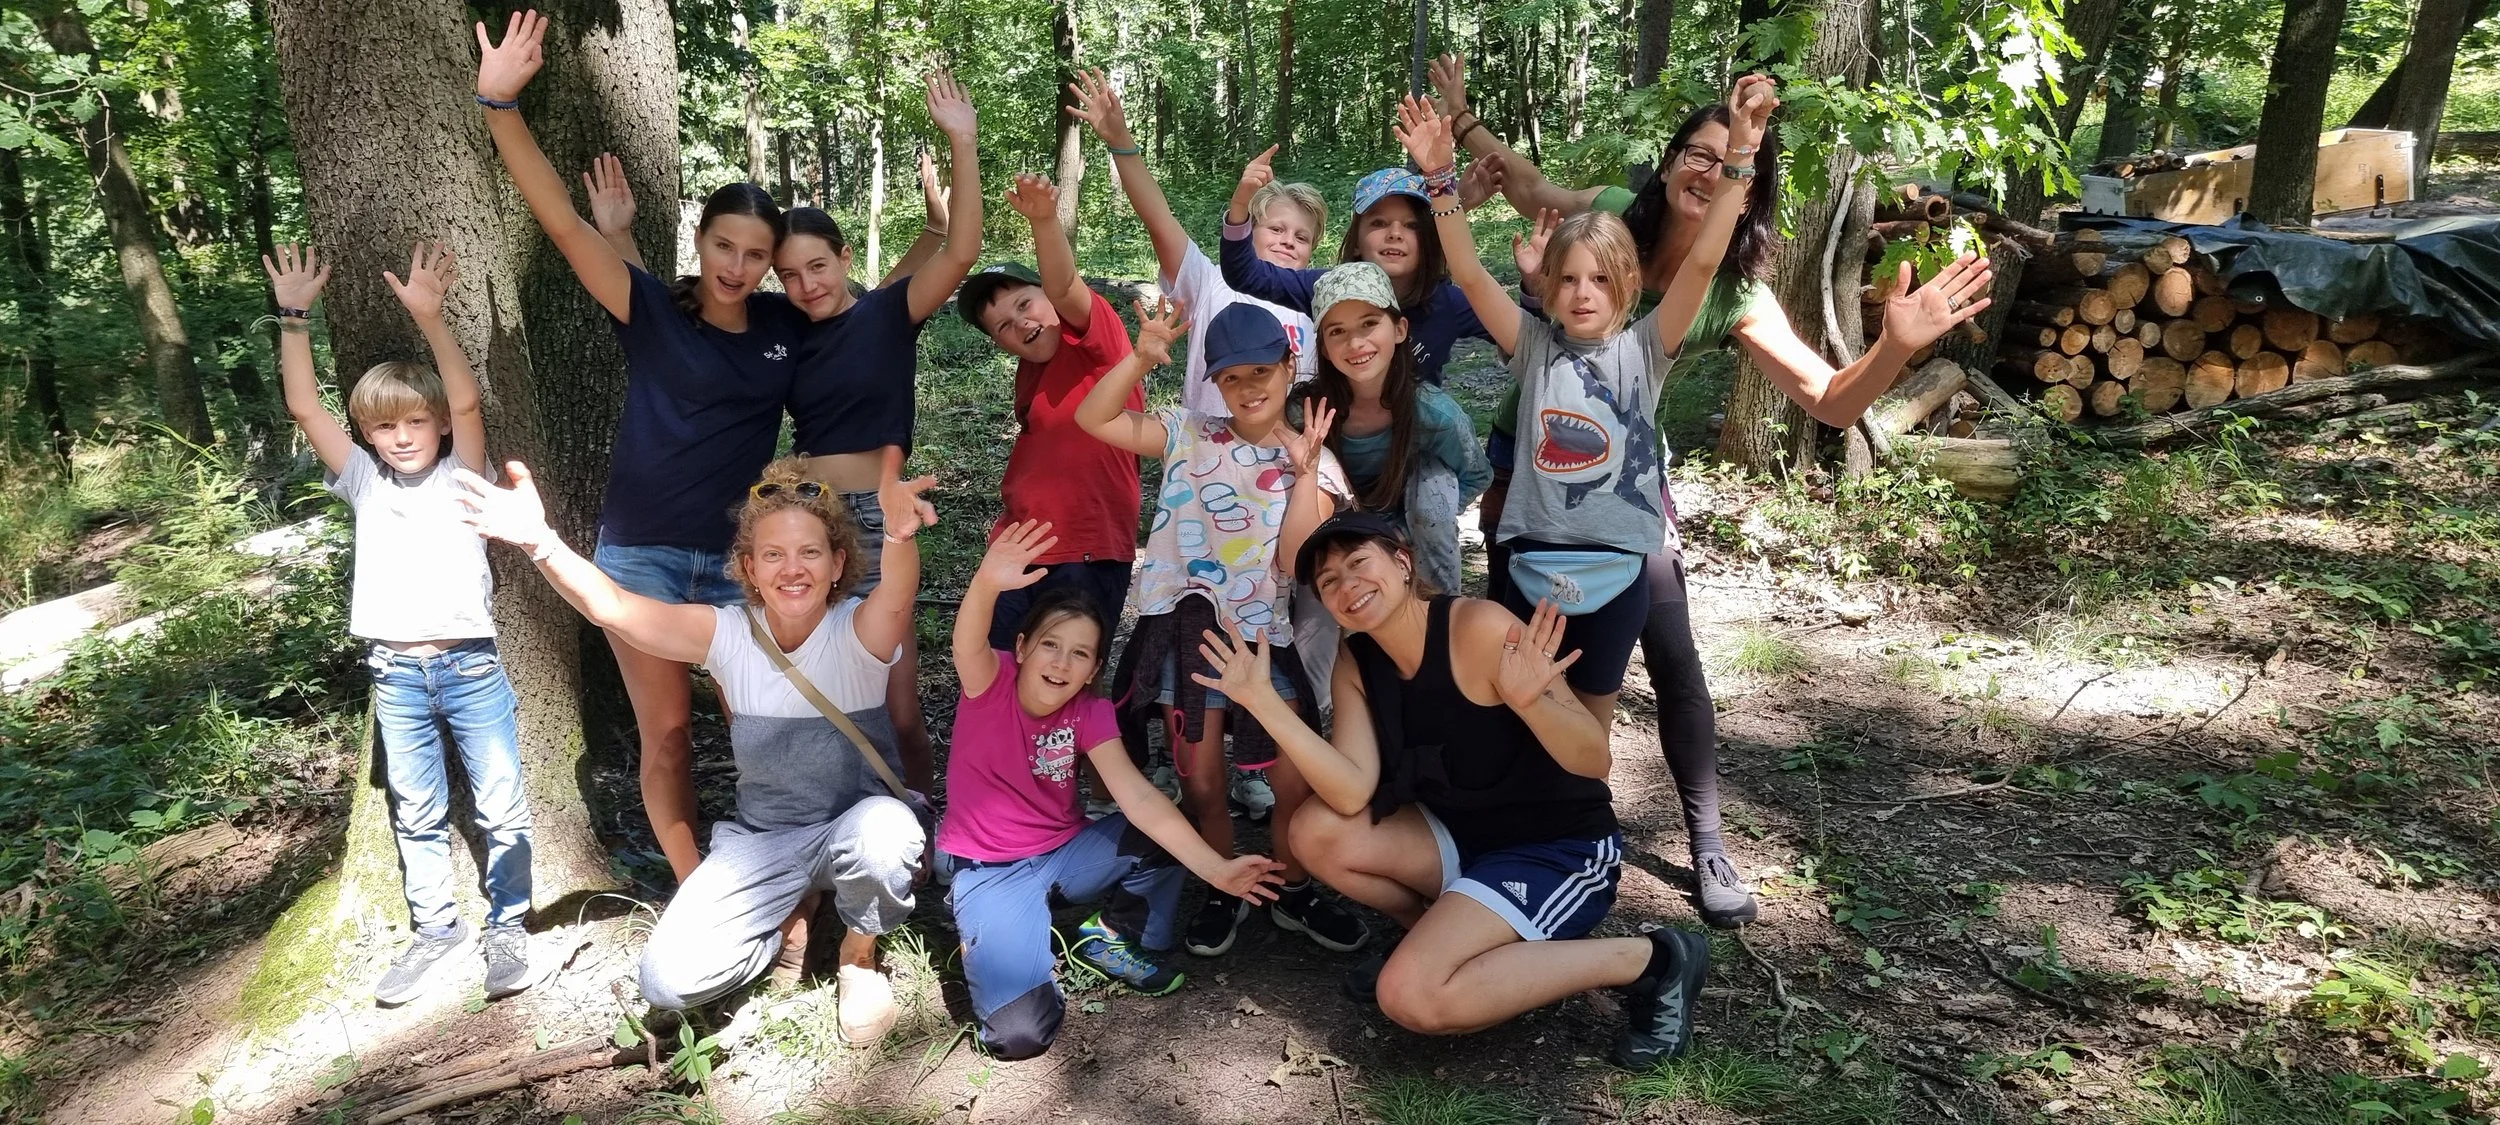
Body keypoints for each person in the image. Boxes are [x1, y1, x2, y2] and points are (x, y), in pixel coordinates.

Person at [1432, 57, 1998, 927]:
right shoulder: (1605, 227)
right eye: (1697, 150)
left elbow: (1832, 400)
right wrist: (1463, 134)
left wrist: (1894, 349)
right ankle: (1521, 822)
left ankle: (1705, 839)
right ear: (1666, 165)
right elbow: (1525, 190)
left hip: (1624, 496)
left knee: (1674, 656)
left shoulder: (1724, 288)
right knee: (1522, 658)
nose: (1710, 164)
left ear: (1750, 182)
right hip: (1530, 476)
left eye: (1731, 157)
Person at [585, 74, 984, 800]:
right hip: (813, 523)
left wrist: (963, 141)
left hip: (877, 522)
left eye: (818, 267)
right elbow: (676, 332)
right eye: (789, 274)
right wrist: (619, 237)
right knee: (807, 691)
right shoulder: (785, 330)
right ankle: (818, 828)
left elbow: (958, 252)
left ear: (843, 259)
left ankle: (920, 829)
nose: (805, 285)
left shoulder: (891, 312)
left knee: (897, 702)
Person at [477, 11, 802, 887]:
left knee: (763, 726)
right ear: (699, 243)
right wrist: (499, 103)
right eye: (724, 246)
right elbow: (562, 226)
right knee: (664, 737)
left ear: (773, 263)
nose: (738, 265)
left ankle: (780, 875)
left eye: (755, 254)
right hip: (646, 557)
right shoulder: (651, 310)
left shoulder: (782, 324)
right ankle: (700, 884)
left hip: (744, 563)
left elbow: (876, 312)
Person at [1197, 512, 1709, 1068]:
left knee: (1411, 998)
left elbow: (1593, 762)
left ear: (1402, 560)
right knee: (1314, 832)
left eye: (1357, 563)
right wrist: (1264, 703)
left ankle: (1654, 959)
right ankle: (1430, 934)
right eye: (1328, 581)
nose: (1347, 586)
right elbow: (1348, 795)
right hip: (1460, 837)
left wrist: (1531, 701)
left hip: (1557, 849)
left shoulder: (1480, 627)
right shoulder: (1358, 657)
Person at [456, 451, 937, 1043]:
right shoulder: (727, 633)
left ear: (839, 563)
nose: (794, 569)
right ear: (749, 568)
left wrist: (896, 532)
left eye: (810, 552)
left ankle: (858, 956)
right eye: (774, 555)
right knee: (668, 980)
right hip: (764, 844)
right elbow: (616, 609)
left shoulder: (859, 631)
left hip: (857, 828)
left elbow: (898, 593)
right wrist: (540, 543)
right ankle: (792, 911)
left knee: (886, 832)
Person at [1395, 83, 1774, 732]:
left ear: (1630, 286)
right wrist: (1438, 179)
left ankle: (1583, 829)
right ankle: (1513, 823)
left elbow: (1706, 257)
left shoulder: (1650, 349)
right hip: (1528, 561)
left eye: (1600, 278)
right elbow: (1468, 273)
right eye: (1566, 277)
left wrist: (1741, 151)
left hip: (1616, 572)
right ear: (1545, 284)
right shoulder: (1531, 346)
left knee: (1588, 727)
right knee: (1513, 707)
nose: (1582, 292)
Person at [268, 241, 536, 1005]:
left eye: (417, 420)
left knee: (501, 801)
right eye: (386, 427)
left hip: (472, 666)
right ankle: (436, 928)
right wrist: (293, 317)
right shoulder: (361, 481)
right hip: (396, 674)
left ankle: (508, 925)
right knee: (414, 809)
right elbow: (304, 407)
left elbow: (470, 402)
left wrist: (431, 319)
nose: (404, 435)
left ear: (438, 426)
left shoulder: (463, 476)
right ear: (370, 436)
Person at [1076, 298, 1370, 960]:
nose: (1249, 388)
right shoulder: (1188, 432)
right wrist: (1140, 357)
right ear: (1215, 382)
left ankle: (1292, 886)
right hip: (1187, 635)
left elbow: (1296, 562)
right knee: (1202, 781)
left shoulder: (1317, 462)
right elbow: (1091, 417)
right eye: (1233, 377)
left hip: (1265, 642)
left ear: (1290, 366)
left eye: (1262, 370)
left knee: (1293, 780)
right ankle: (1224, 883)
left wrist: (1302, 477)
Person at [940, 520, 1288, 1059]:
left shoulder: (1091, 712)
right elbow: (967, 639)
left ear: (1093, 669)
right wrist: (987, 581)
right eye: (1050, 645)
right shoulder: (991, 679)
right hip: (992, 870)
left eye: (1080, 654)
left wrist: (1216, 868)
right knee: (1019, 1035)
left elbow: (1139, 796)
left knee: (1169, 830)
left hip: (1067, 854)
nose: (1061, 661)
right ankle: (1014, 941)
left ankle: (1109, 935)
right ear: (1023, 647)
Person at [1066, 69, 1324, 417]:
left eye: (1301, 237)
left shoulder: (1318, 302)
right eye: (1276, 229)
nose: (1288, 241)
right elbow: (1159, 221)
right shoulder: (1211, 282)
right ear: (1250, 230)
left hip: (1284, 463)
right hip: (1206, 455)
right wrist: (1120, 141)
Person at [959, 173, 1141, 653]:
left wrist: (1044, 221)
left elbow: (1065, 287)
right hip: (1019, 548)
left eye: (1025, 303)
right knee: (1001, 665)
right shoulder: (1029, 373)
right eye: (1002, 326)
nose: (1020, 322)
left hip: (1085, 546)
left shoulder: (1096, 342)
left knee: (1065, 678)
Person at [1215, 146, 1500, 385]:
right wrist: (1241, 206)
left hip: (1416, 439)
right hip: (1339, 437)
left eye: (1412, 225)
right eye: (1378, 223)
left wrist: (1531, 285)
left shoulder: (1447, 303)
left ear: (1428, 239)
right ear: (1355, 241)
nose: (1395, 234)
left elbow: (1523, 335)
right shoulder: (1329, 287)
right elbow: (1245, 274)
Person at [1289, 260, 1492, 595]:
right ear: (1323, 347)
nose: (1355, 343)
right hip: (1339, 521)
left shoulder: (1434, 414)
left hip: (1414, 524)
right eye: (1337, 331)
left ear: (1400, 329)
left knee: (1434, 484)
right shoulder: (1306, 412)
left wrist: (1414, 526)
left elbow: (1475, 475)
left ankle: (1441, 607)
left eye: (1369, 323)